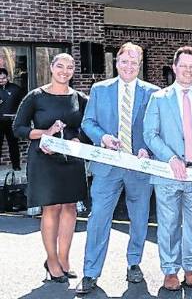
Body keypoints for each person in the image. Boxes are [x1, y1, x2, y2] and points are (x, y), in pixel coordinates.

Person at [76, 43, 159, 295]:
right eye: (124, 61)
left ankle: (134, 263)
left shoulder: (153, 93)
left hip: (138, 167)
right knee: (98, 219)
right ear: (116, 62)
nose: (129, 66)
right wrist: (102, 138)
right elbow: (88, 122)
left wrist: (147, 148)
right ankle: (90, 272)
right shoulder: (99, 90)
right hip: (107, 166)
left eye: (134, 62)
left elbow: (157, 127)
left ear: (140, 64)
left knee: (139, 218)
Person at [143, 46, 192, 291]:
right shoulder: (159, 98)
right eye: (183, 66)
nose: (188, 70)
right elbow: (150, 134)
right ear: (174, 68)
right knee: (168, 223)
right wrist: (170, 158)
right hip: (168, 173)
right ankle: (170, 270)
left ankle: (191, 267)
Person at [12, 53, 89, 283]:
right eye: (60, 66)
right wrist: (44, 134)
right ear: (52, 68)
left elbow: (87, 127)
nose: (64, 71)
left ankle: (64, 259)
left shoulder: (80, 98)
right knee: (52, 208)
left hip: (71, 161)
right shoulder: (35, 96)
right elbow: (19, 128)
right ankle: (52, 260)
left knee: (70, 208)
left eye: (70, 67)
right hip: (44, 160)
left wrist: (80, 141)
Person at [0, 67, 25, 170]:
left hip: (11, 122)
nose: (1, 80)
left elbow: (23, 104)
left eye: (3, 78)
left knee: (13, 144)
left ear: (8, 77)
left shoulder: (16, 89)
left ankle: (16, 165)